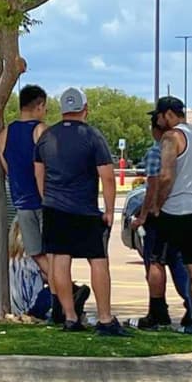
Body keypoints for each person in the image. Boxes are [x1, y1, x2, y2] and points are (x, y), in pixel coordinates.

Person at [35, 87, 126, 336]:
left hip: (55, 207)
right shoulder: (92, 136)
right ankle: (105, 319)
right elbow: (107, 177)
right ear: (85, 109)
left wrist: (47, 198)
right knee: (97, 260)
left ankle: (70, 317)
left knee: (60, 262)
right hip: (85, 209)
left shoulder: (47, 136)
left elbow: (38, 172)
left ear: (63, 110)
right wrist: (108, 209)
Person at [149, 96, 192, 334]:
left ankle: (157, 314)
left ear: (167, 114)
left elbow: (165, 176)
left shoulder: (171, 137)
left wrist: (158, 204)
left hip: (175, 207)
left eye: (159, 116)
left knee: (157, 260)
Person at [131, 113, 190, 329]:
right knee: (180, 263)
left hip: (160, 215)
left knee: (154, 262)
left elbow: (154, 185)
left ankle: (157, 311)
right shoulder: (188, 151)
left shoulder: (156, 152)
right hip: (183, 212)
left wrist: (144, 214)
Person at [0, 85, 54, 302]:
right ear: (39, 105)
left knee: (35, 252)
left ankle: (61, 293)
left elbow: (6, 168)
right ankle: (66, 290)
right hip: (44, 200)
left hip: (21, 201)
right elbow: (50, 165)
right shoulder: (41, 130)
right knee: (53, 252)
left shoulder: (4, 134)